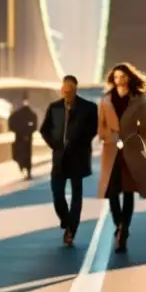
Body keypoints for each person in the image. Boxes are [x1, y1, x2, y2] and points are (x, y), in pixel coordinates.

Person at [97, 62, 146, 253]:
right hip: (111, 150)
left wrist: (140, 144)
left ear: (129, 78)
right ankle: (118, 224)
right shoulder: (106, 100)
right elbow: (101, 126)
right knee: (111, 191)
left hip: (131, 150)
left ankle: (124, 230)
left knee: (128, 191)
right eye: (116, 77)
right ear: (113, 79)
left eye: (123, 77)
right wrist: (109, 138)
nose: (120, 80)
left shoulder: (140, 99)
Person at [40, 76, 96, 246]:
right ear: (62, 89)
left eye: (71, 88)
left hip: (78, 157)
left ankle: (71, 230)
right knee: (57, 193)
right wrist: (55, 145)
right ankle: (66, 221)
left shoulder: (88, 108)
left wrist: (79, 142)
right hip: (59, 158)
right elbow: (44, 130)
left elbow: (94, 129)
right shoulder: (54, 107)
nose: (67, 90)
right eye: (65, 87)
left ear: (76, 89)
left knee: (76, 196)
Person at [9, 94, 39, 179]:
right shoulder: (22, 113)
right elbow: (34, 125)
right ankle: (25, 168)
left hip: (24, 136)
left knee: (24, 154)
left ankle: (27, 170)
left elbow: (34, 125)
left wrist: (25, 132)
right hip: (23, 136)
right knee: (23, 154)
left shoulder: (26, 113)